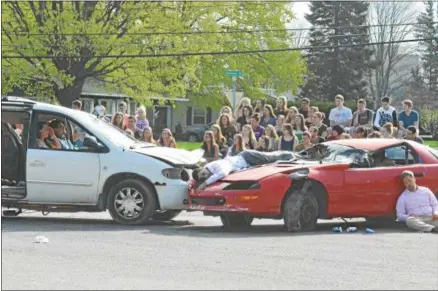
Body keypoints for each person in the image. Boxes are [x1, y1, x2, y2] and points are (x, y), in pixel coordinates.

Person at [192, 150, 297, 190]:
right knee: (271, 161)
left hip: (247, 157)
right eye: (203, 177)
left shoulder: (216, 165)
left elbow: (224, 172)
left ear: (202, 168)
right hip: (247, 162)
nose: (205, 176)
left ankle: (292, 154)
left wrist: (205, 183)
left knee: (271, 158)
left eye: (202, 173)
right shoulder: (211, 170)